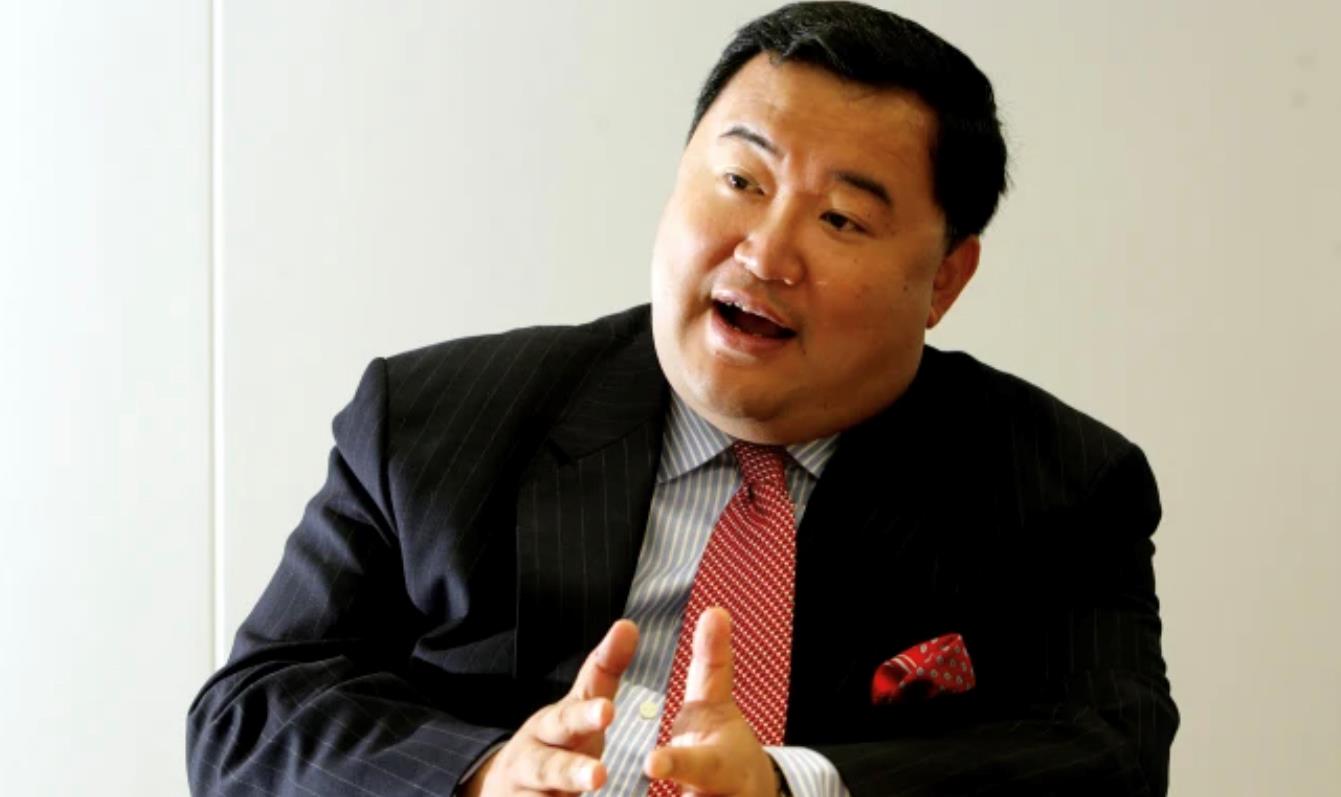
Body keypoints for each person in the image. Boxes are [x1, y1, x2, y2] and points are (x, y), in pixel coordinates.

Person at [186, 2, 1178, 795]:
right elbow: (249, 715)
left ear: (945, 281)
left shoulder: (1059, 484)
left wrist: (790, 787)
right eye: (741, 179)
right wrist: (481, 774)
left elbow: (1108, 757)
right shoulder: (435, 419)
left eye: (840, 217)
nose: (767, 253)